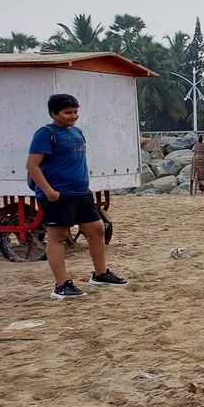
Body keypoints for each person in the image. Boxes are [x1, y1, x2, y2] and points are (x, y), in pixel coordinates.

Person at [26, 94, 128, 299]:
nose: (73, 116)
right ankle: (61, 285)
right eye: (68, 113)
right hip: (58, 194)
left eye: (75, 112)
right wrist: (49, 192)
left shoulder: (76, 132)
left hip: (81, 192)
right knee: (58, 236)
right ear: (54, 113)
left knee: (97, 230)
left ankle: (100, 274)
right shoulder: (46, 134)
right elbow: (32, 165)